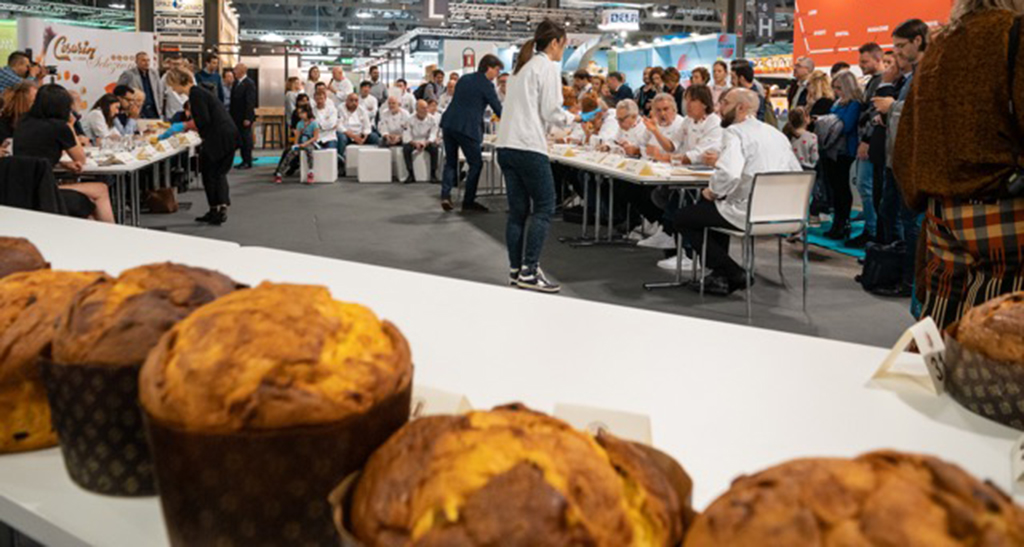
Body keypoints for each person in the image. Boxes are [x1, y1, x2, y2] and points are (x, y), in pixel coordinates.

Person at [894, 2, 1022, 327]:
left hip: (942, 213)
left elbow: (908, 139)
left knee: (939, 327)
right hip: (1005, 209)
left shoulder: (941, 44)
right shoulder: (1015, 33)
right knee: (998, 336)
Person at [670, 88, 802, 296]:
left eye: (725, 103)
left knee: (683, 217)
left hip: (748, 212)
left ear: (741, 108)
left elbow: (730, 174)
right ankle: (720, 276)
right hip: (785, 215)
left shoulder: (735, 132)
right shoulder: (776, 134)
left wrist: (712, 192)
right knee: (710, 211)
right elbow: (796, 172)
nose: (719, 108)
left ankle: (733, 272)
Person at [495, 19, 577, 293]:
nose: (563, 52)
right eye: (564, 45)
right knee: (544, 208)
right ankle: (530, 271)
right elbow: (551, 111)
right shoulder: (547, 67)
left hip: (506, 146)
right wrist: (573, 119)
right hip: (529, 146)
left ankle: (516, 271)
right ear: (555, 42)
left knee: (517, 213)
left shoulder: (521, 69)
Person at [873, 19, 929, 299]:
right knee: (893, 215)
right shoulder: (910, 77)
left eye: (900, 46)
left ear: (918, 40)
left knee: (912, 225)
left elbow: (925, 111)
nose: (895, 53)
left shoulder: (927, 72)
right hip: (898, 160)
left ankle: (909, 281)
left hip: (912, 164)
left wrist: (893, 106)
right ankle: (896, 271)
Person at [15, 84, 114, 222]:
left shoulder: (23, 122)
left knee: (90, 203)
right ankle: (110, 235)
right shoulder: (60, 127)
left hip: (20, 188)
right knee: (101, 189)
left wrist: (62, 162)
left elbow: (34, 155)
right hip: (44, 190)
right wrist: (71, 127)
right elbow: (81, 159)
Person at [164, 67, 239, 225]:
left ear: (178, 82)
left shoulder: (195, 94)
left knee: (210, 173)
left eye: (172, 84)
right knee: (217, 173)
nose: (171, 89)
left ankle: (216, 210)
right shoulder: (200, 92)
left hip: (219, 137)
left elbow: (203, 119)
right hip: (226, 135)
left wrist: (185, 126)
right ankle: (219, 208)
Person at [439, 54, 504, 212]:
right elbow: (497, 108)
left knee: (451, 162)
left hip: (449, 123)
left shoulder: (464, 78)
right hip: (467, 128)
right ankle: (468, 201)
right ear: (489, 68)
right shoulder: (487, 85)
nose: (497, 75)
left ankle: (445, 195)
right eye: (496, 70)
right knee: (476, 163)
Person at [848, 42, 886, 247]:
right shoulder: (873, 81)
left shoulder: (881, 83)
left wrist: (867, 141)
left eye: (865, 61)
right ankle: (871, 228)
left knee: (867, 186)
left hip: (871, 143)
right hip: (867, 141)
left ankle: (873, 230)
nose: (861, 65)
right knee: (866, 186)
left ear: (877, 59)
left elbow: (876, 115)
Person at [821, 70, 864, 240]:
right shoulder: (839, 102)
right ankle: (837, 223)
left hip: (844, 150)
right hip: (833, 149)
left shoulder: (854, 103)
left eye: (839, 88)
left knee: (841, 188)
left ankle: (843, 222)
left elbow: (845, 125)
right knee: (835, 186)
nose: (836, 91)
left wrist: (828, 122)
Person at [274, 104, 319, 185]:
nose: (300, 115)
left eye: (302, 113)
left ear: (307, 112)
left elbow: (315, 137)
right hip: (301, 143)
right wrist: (295, 145)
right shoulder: (299, 124)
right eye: (299, 113)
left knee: (310, 152)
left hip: (310, 143)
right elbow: (297, 136)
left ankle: (310, 172)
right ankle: (279, 173)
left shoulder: (314, 123)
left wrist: (305, 144)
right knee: (290, 153)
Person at [402, 99, 440, 184]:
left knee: (434, 148)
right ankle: (410, 174)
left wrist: (426, 142)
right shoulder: (409, 119)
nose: (426, 110)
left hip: (427, 141)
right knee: (406, 149)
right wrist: (414, 143)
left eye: (426, 108)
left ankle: (433, 174)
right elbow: (406, 135)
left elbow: (433, 134)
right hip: (414, 141)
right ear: (417, 109)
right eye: (423, 108)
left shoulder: (432, 119)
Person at [117, 52, 163, 120]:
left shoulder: (154, 73)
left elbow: (159, 91)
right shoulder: (128, 74)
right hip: (138, 108)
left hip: (153, 109)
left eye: (148, 60)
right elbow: (119, 90)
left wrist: (160, 106)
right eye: (143, 60)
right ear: (136, 61)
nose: (146, 63)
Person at [336, 92, 378, 165]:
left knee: (374, 137)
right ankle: (340, 163)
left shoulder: (362, 109)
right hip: (347, 135)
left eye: (356, 100)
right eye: (351, 100)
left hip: (359, 134)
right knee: (341, 137)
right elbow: (339, 126)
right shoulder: (340, 108)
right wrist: (353, 136)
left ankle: (375, 161)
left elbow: (367, 126)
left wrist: (364, 138)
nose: (354, 103)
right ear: (346, 101)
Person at [230, 63, 256, 170]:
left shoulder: (249, 83)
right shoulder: (236, 83)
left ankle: (247, 161)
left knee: (246, 140)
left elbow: (250, 102)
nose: (234, 71)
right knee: (239, 139)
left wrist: (248, 118)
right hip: (236, 117)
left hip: (244, 117)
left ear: (242, 71)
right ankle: (243, 159)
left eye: (236, 69)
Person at [161, 57, 190, 121]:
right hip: (171, 113)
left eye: (178, 64)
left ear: (183, 64)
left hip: (186, 113)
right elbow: (160, 94)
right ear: (170, 65)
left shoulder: (189, 76)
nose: (176, 66)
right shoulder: (165, 77)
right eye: (173, 64)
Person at [311, 87, 339, 154]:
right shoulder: (311, 111)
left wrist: (320, 126)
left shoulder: (332, 110)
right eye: (317, 99)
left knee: (330, 155)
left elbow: (332, 124)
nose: (319, 101)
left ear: (325, 98)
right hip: (316, 138)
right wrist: (327, 125)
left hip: (330, 137)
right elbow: (312, 126)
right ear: (314, 99)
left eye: (321, 99)